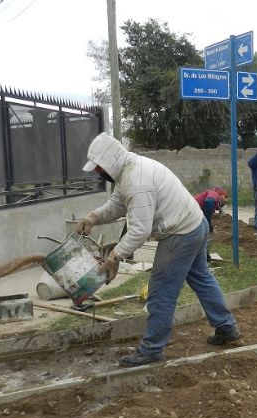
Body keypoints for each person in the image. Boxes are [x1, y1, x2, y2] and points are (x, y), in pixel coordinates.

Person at [76, 133, 241, 367]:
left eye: (99, 167)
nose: (98, 172)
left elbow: (139, 230)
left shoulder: (136, 179)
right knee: (201, 278)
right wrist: (93, 217)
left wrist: (114, 257)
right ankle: (226, 326)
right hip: (196, 224)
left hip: (180, 232)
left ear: (110, 161)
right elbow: (118, 204)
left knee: (161, 292)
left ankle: (152, 349)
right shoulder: (130, 171)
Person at [194, 187, 227, 260]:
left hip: (193, 215)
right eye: (225, 197)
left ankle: (201, 254)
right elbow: (209, 202)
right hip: (192, 215)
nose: (226, 200)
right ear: (221, 195)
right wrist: (207, 222)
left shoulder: (212, 197)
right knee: (209, 234)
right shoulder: (214, 194)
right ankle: (203, 255)